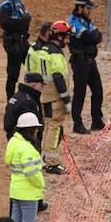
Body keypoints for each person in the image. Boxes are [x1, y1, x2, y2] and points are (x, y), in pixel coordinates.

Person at [5, 112, 45, 222]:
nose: (37, 131)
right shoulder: (26, 148)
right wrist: (41, 184)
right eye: (35, 128)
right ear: (30, 130)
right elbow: (31, 173)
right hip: (28, 192)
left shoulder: (13, 142)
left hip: (15, 190)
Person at [67, 0, 105, 134]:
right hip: (80, 61)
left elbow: (97, 36)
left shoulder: (86, 20)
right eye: (88, 8)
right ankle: (77, 124)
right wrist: (92, 37)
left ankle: (97, 121)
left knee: (98, 90)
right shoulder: (72, 21)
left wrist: (93, 37)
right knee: (79, 94)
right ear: (80, 7)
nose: (90, 11)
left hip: (90, 61)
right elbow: (89, 37)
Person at [39, 20, 73, 174]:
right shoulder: (56, 54)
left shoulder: (44, 50)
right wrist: (66, 100)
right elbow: (58, 77)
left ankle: (44, 158)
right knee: (54, 128)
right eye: (66, 37)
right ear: (59, 37)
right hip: (55, 98)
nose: (68, 40)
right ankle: (51, 163)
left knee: (48, 127)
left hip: (45, 96)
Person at [0, 0, 32, 98]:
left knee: (32, 67)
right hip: (13, 43)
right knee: (13, 74)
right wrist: (21, 21)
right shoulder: (7, 4)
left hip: (23, 41)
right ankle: (11, 100)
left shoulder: (19, 3)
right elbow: (4, 23)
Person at [3, 72, 44, 140]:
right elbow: (31, 126)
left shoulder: (17, 95)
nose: (42, 89)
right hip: (24, 139)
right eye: (41, 86)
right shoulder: (28, 101)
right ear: (34, 85)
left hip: (14, 136)